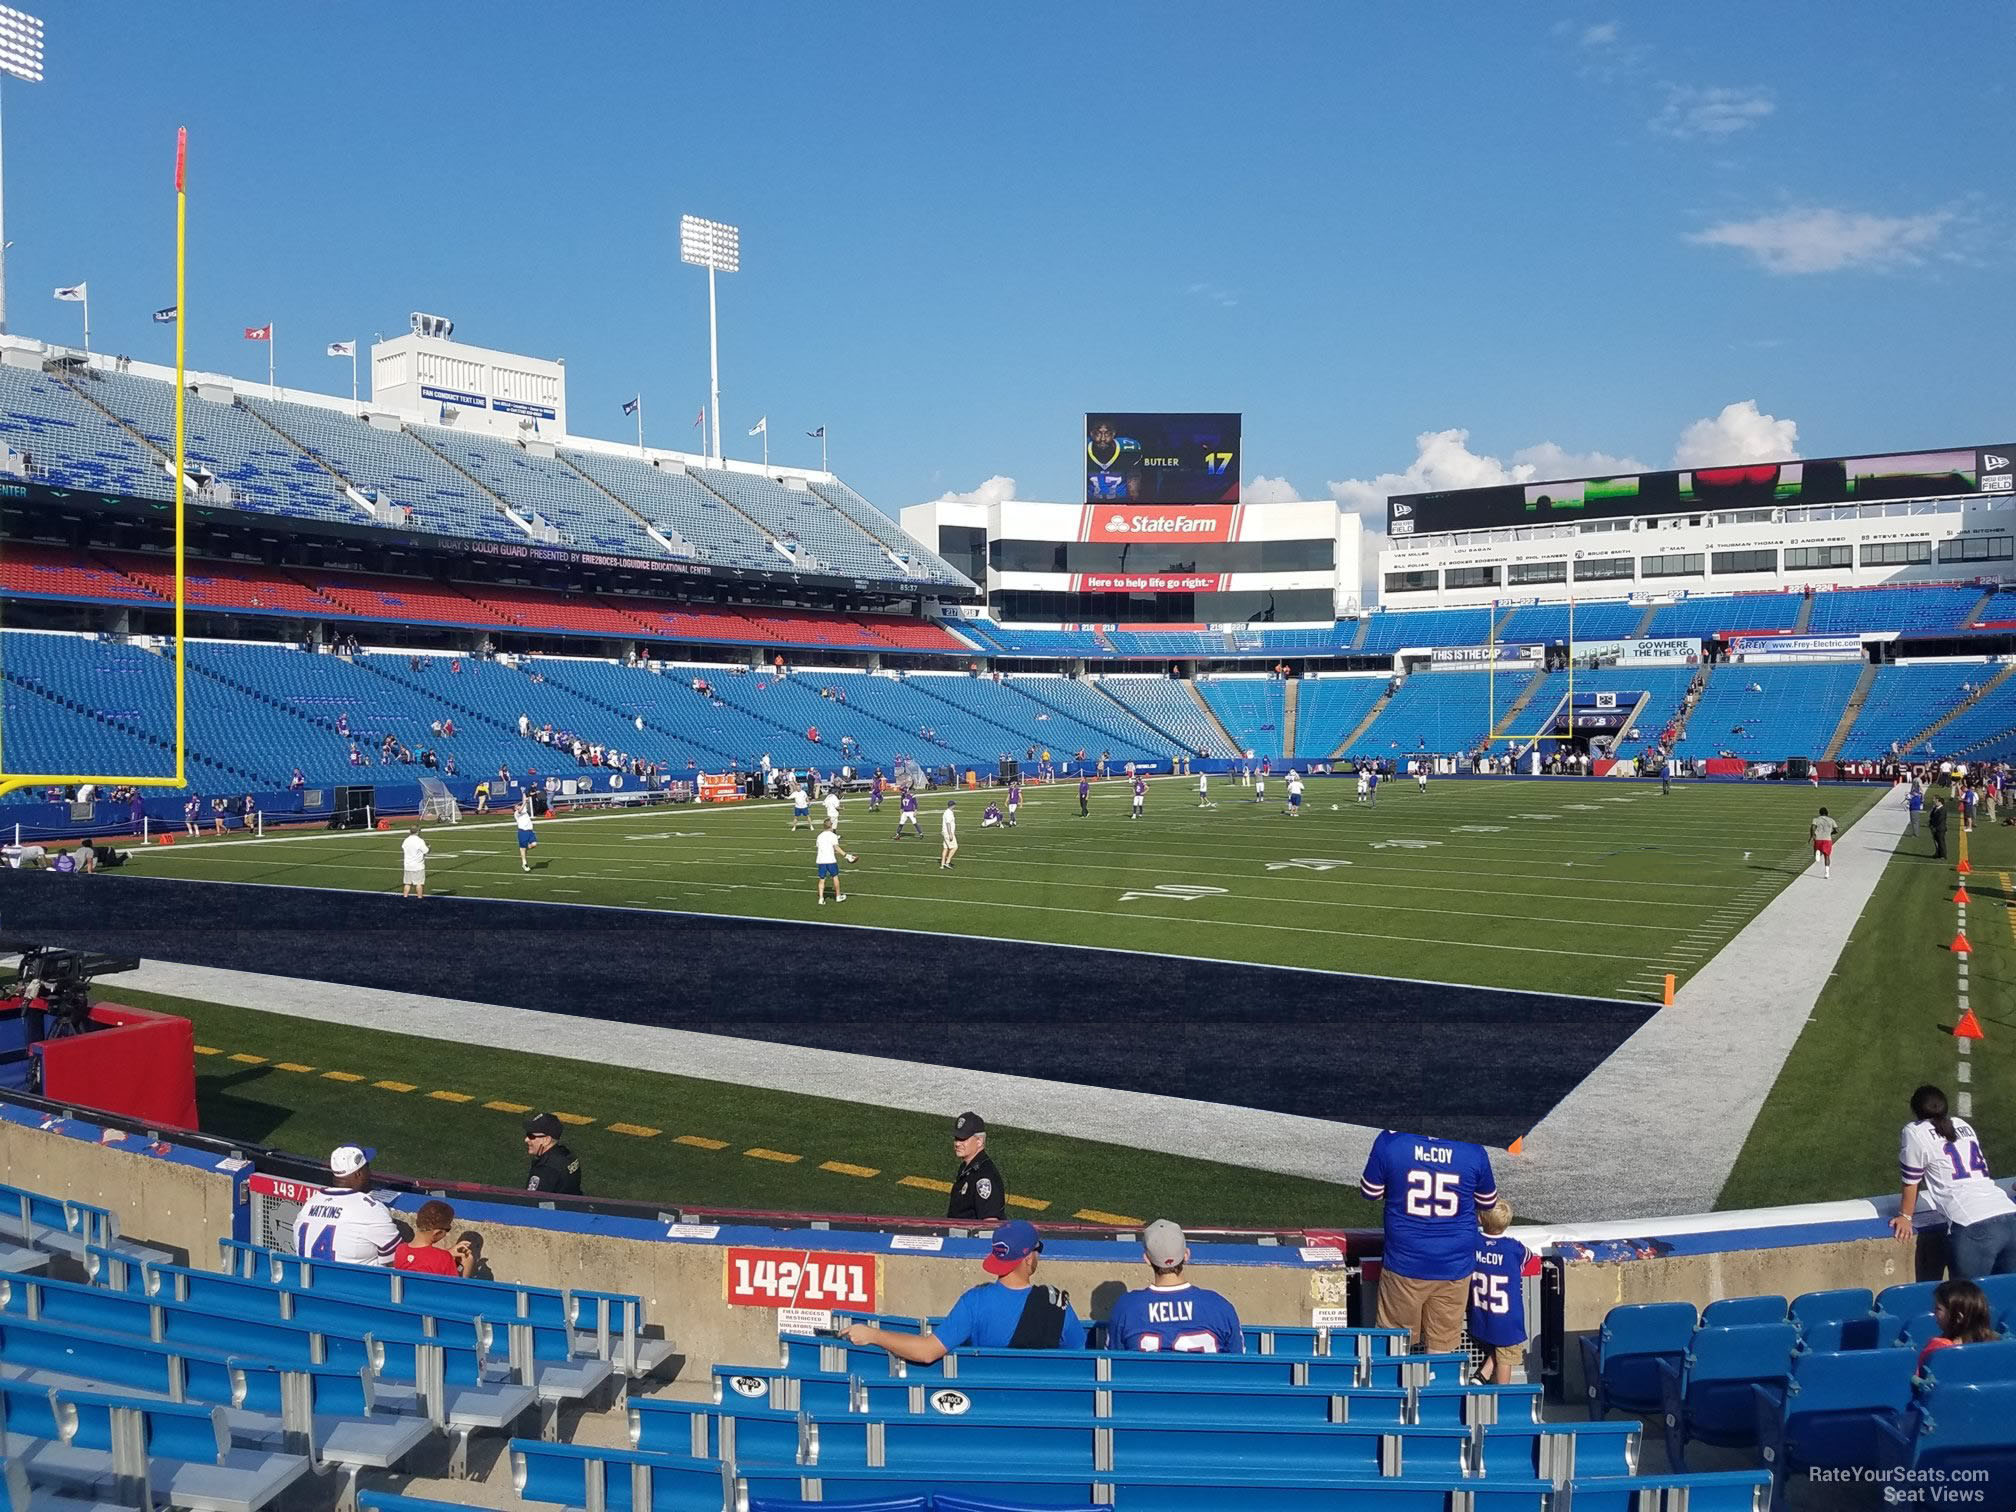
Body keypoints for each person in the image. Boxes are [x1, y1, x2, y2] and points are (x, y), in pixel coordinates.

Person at [847, 1220, 1084, 1359]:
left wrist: (873, 1335)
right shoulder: (1058, 1305)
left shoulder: (974, 1302)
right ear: (1028, 1259)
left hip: (985, 1410)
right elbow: (1079, 1358)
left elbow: (928, 1351)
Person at [1359, 1128, 1499, 1353]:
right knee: (1441, 1349)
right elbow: (1488, 1201)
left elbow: (1371, 1191)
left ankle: (1398, 1387)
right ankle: (1434, 1386)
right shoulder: (1473, 1149)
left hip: (1405, 1262)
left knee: (1394, 1344)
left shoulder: (1391, 1141)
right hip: (1454, 1264)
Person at [1893, 1084, 2016, 1277]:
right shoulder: (1962, 1124)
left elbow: (1911, 1180)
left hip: (1972, 1224)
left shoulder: (1914, 1132)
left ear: (1915, 1109)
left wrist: (1905, 1216)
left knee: (1964, 1302)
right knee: (2007, 1298)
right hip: (2010, 1216)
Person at [1106, 1220, 1243, 1353]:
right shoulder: (1218, 1306)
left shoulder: (1126, 1307)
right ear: (1186, 1255)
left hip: (1148, 1375)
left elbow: (1114, 1359)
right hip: (1206, 1376)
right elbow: (1239, 1361)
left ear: (1147, 1259)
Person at [293, 1146, 399, 1266]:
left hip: (310, 1281)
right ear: (359, 1174)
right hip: (357, 1283)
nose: (370, 1173)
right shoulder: (370, 1209)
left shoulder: (310, 1203)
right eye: (367, 1168)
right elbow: (396, 1261)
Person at [1468, 1200, 1529, 1384]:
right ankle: (1501, 1394)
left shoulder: (1474, 1242)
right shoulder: (1513, 1248)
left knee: (1500, 1347)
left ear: (1480, 1218)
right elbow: (1527, 1257)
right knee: (1507, 1353)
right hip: (1507, 1318)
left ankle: (1483, 1374)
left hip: (1481, 1315)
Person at [1917, 1279, 1998, 1371]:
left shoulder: (1938, 1351)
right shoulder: (1996, 1348)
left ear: (1958, 1318)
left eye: (1938, 1309)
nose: (1933, 1312)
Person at [394, 1199, 480, 1277]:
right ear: (437, 1233)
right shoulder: (444, 1258)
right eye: (448, 1229)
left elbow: (423, 1260)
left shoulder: (400, 1250)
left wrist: (448, 1253)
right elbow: (456, 1290)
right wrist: (467, 1266)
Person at [947, 1110, 1005, 1221]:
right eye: (956, 1138)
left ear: (979, 1141)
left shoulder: (984, 1177)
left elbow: (990, 1222)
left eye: (963, 1139)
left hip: (970, 1238)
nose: (957, 1144)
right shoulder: (967, 1167)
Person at [524, 1112, 584, 1195]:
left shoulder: (545, 1169)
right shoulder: (567, 1154)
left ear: (547, 1140)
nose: (526, 1140)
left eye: (531, 1136)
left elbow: (532, 1200)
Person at [815, 819, 855, 906]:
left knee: (822, 879)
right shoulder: (833, 836)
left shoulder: (819, 836)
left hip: (821, 860)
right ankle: (838, 896)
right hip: (830, 860)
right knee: (835, 877)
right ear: (831, 825)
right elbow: (836, 848)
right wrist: (847, 856)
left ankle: (821, 899)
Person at [400, 826, 429, 899]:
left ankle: (405, 897)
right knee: (419, 883)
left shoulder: (406, 840)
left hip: (408, 865)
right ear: (418, 831)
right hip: (418, 866)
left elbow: (404, 847)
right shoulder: (419, 841)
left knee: (407, 883)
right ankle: (419, 898)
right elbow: (426, 851)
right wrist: (429, 847)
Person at [1810, 806, 1837, 880]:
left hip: (1818, 838)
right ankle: (1827, 873)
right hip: (1827, 839)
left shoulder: (1816, 819)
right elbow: (1836, 829)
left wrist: (1812, 835)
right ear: (1827, 813)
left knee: (1816, 851)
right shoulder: (1831, 820)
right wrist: (1831, 833)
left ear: (1820, 813)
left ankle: (1818, 853)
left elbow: (1812, 827)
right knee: (1827, 856)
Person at [515, 799, 538, 871]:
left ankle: (525, 849)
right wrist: (524, 802)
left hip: (530, 831)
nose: (519, 807)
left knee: (534, 844)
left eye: (519, 805)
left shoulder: (524, 811)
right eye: (517, 806)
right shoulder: (517, 813)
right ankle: (524, 863)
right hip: (522, 831)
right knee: (522, 847)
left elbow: (524, 804)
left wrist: (525, 796)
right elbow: (520, 810)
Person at [940, 798, 959, 870]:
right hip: (948, 833)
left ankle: (942, 864)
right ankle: (947, 862)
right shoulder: (948, 813)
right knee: (954, 847)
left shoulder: (948, 812)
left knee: (945, 848)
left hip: (945, 832)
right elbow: (948, 824)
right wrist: (950, 834)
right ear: (953, 805)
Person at [1928, 796, 1948, 860]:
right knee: (1936, 841)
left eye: (1936, 801)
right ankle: (1938, 853)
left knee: (1941, 842)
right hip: (1934, 827)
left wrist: (1934, 826)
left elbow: (1940, 819)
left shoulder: (1943, 809)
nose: (1934, 802)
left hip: (1939, 828)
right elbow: (1931, 816)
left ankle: (1943, 855)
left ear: (1939, 801)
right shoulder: (1935, 808)